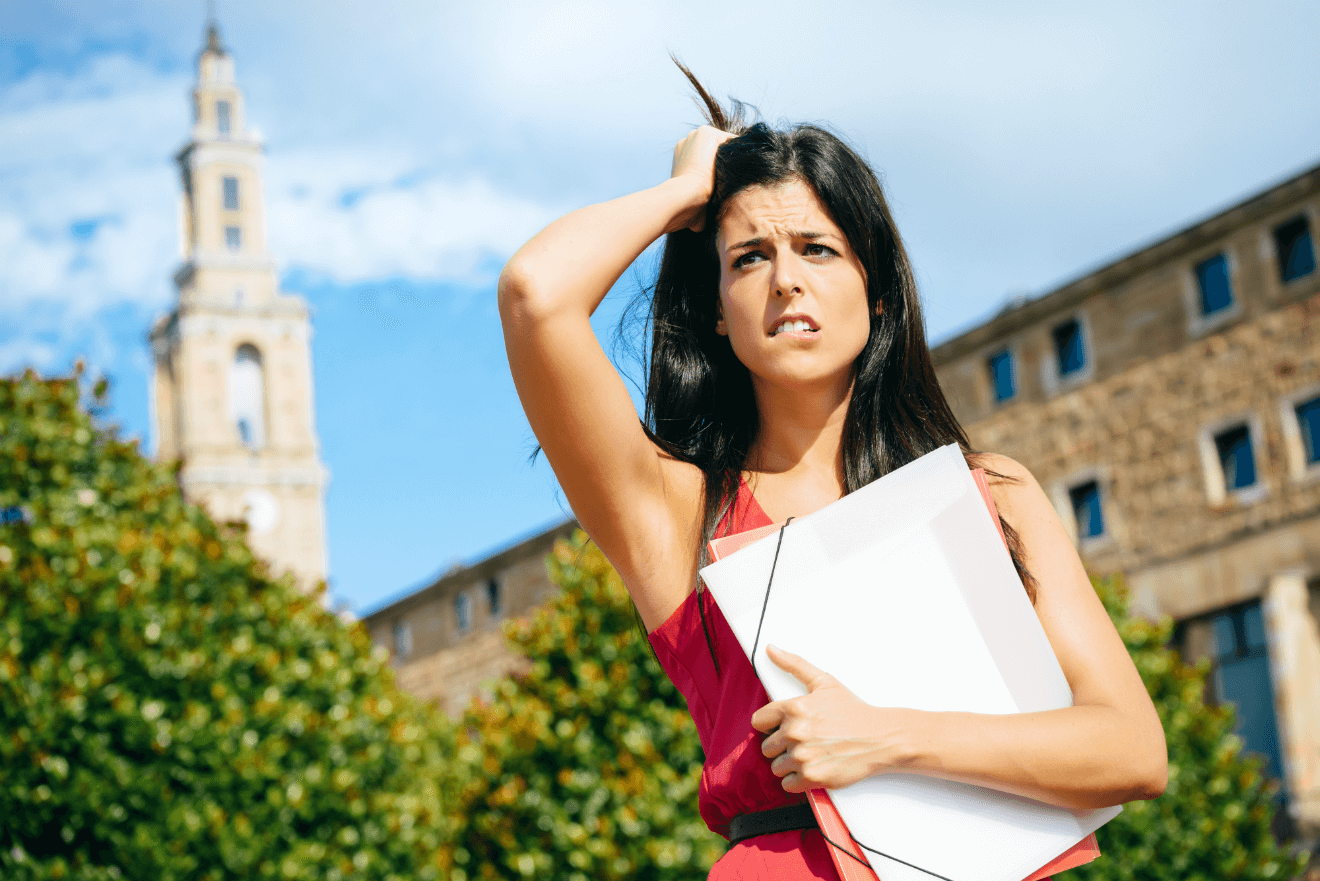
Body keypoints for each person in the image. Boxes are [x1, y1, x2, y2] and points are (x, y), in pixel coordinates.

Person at [497, 71, 1167, 880]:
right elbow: (537, 293)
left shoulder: (992, 494)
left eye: (817, 248)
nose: (786, 279)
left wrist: (888, 734)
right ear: (717, 306)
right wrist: (686, 193)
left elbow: (1133, 748)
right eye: (749, 258)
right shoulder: (678, 512)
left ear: (875, 289)